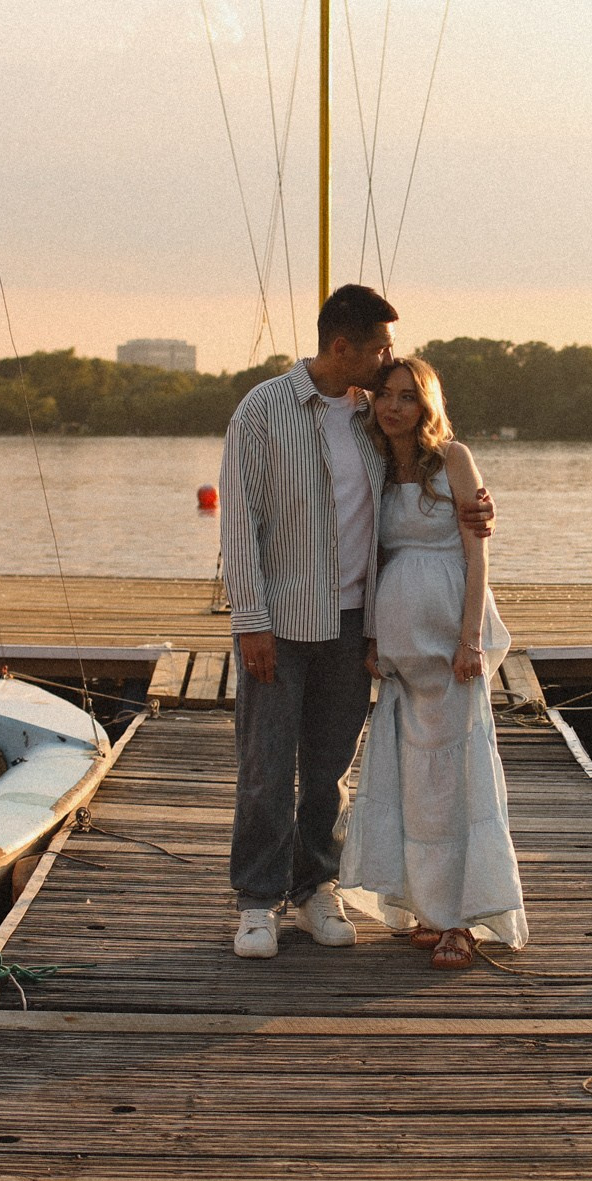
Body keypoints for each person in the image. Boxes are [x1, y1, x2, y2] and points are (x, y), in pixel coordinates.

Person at [216, 286, 491, 960]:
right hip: (279, 623)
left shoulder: (374, 415)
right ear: (343, 347)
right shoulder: (262, 410)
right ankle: (257, 902)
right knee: (266, 767)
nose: (389, 360)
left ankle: (315, 888)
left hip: (352, 625)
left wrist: (478, 505)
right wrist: (250, 621)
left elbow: (425, 471)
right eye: (380, 349)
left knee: (329, 771)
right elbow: (239, 522)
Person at [338, 356, 526, 968]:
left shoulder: (454, 460)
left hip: (450, 643)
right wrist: (372, 638)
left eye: (408, 396)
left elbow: (478, 555)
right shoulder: (374, 463)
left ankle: (462, 922)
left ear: (427, 404)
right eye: (386, 395)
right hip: (401, 651)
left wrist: (470, 638)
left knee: (454, 782)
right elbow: (373, 556)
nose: (394, 407)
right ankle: (427, 907)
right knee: (413, 785)